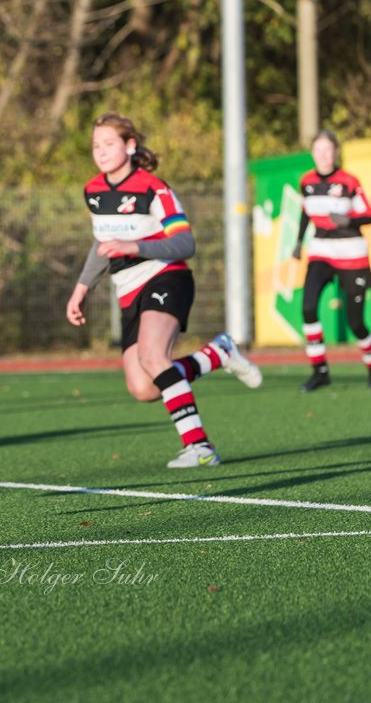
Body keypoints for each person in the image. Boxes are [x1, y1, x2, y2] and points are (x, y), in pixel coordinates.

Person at [65, 113, 262, 468]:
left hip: (166, 277)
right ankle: (219, 354)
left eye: (109, 144)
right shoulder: (93, 191)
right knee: (144, 387)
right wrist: (81, 288)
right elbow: (101, 245)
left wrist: (135, 247)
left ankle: (200, 447)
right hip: (127, 292)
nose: (101, 151)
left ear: (130, 146)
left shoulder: (153, 188)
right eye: (96, 145)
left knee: (154, 358)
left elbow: (185, 243)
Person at [292, 130, 371, 391]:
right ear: (312, 153)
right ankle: (320, 371)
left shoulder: (349, 182)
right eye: (318, 150)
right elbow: (304, 213)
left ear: (336, 152)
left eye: (328, 150)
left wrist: (349, 220)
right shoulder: (306, 181)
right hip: (321, 253)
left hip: (352, 256)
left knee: (356, 323)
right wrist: (298, 242)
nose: (323, 155)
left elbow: (369, 215)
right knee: (308, 307)